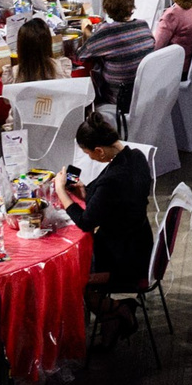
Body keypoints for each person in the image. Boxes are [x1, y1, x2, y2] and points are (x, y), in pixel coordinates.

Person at [63, 112, 156, 287]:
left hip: (122, 261)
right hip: (140, 245)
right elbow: (116, 202)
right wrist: (83, 192)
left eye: (88, 153)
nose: (89, 157)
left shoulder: (112, 178)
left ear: (99, 150)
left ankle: (114, 310)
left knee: (70, 279)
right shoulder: (136, 157)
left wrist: (61, 192)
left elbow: (86, 222)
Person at [79, 0, 158, 107]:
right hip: (144, 94)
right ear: (131, 7)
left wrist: (86, 30)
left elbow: (81, 56)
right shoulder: (143, 25)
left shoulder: (106, 32)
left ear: (106, 9)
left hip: (118, 99)